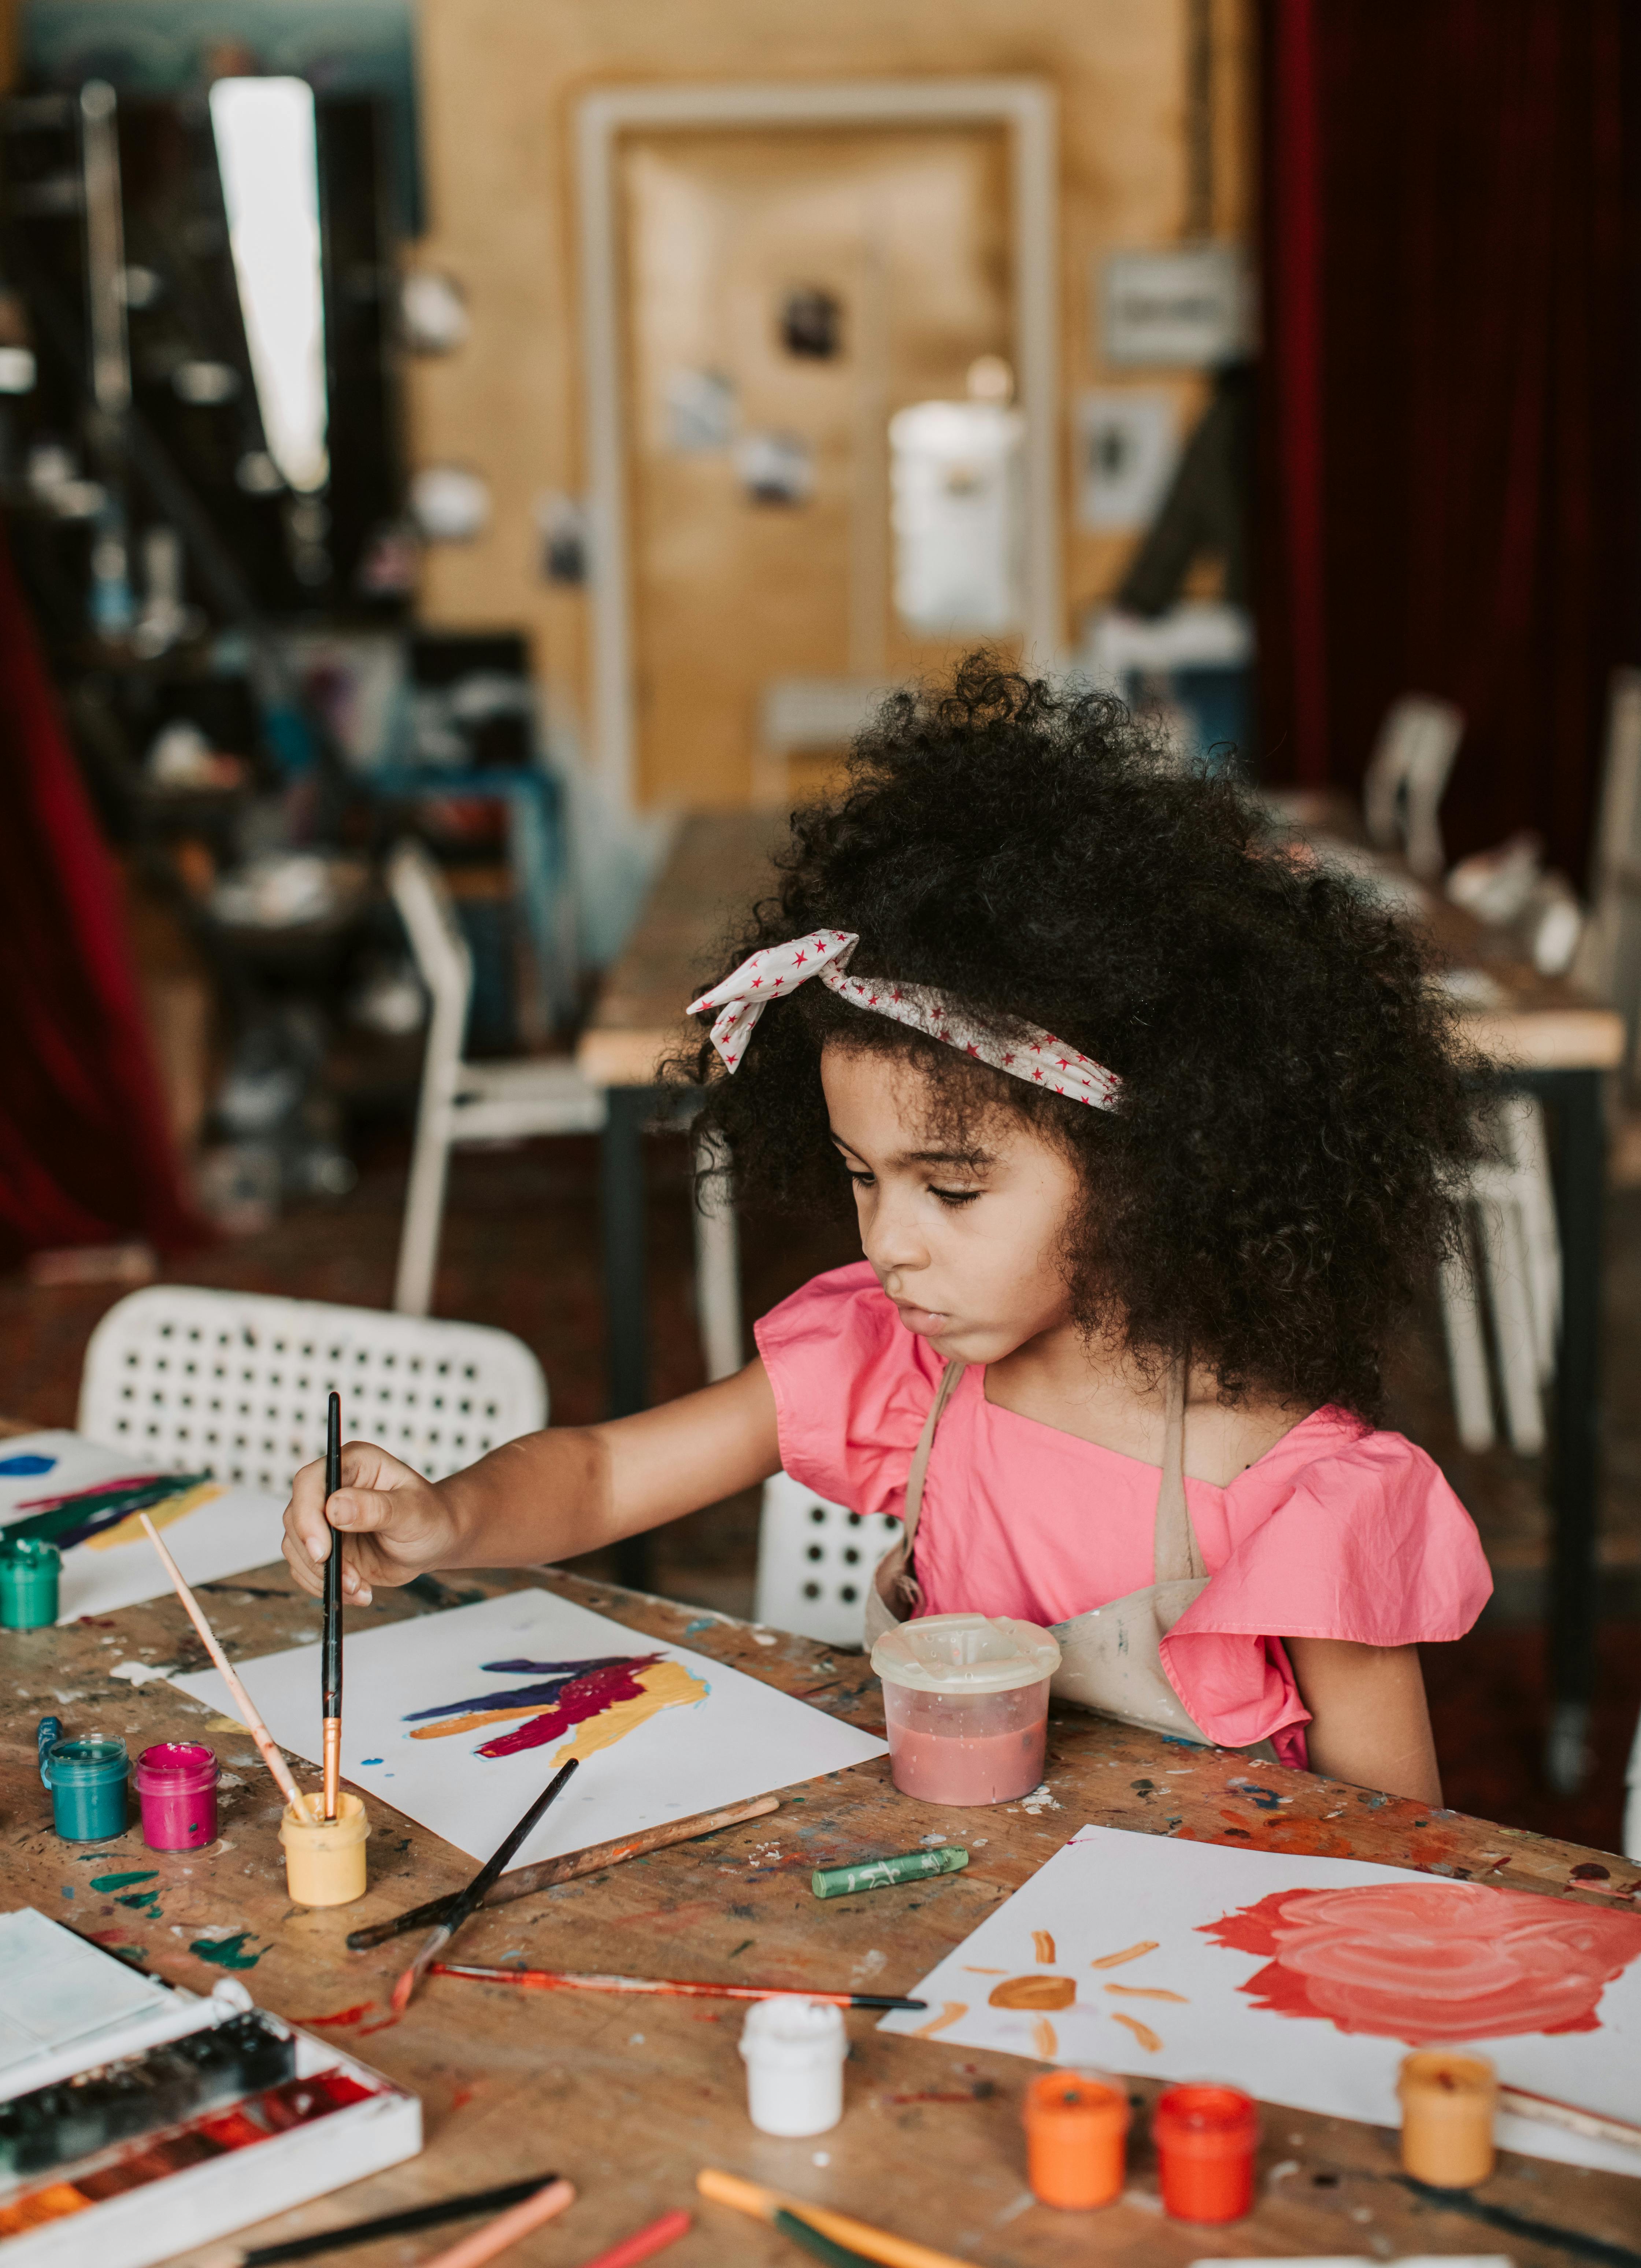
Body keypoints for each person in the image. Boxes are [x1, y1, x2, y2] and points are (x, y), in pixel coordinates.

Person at [283, 662, 1491, 1802]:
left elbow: (1410, 1861)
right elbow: (603, 1475)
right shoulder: (908, 1373)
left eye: (952, 1191)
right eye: (863, 1178)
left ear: (1150, 1174)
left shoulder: (1296, 1492)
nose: (891, 1246)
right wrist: (447, 1519)